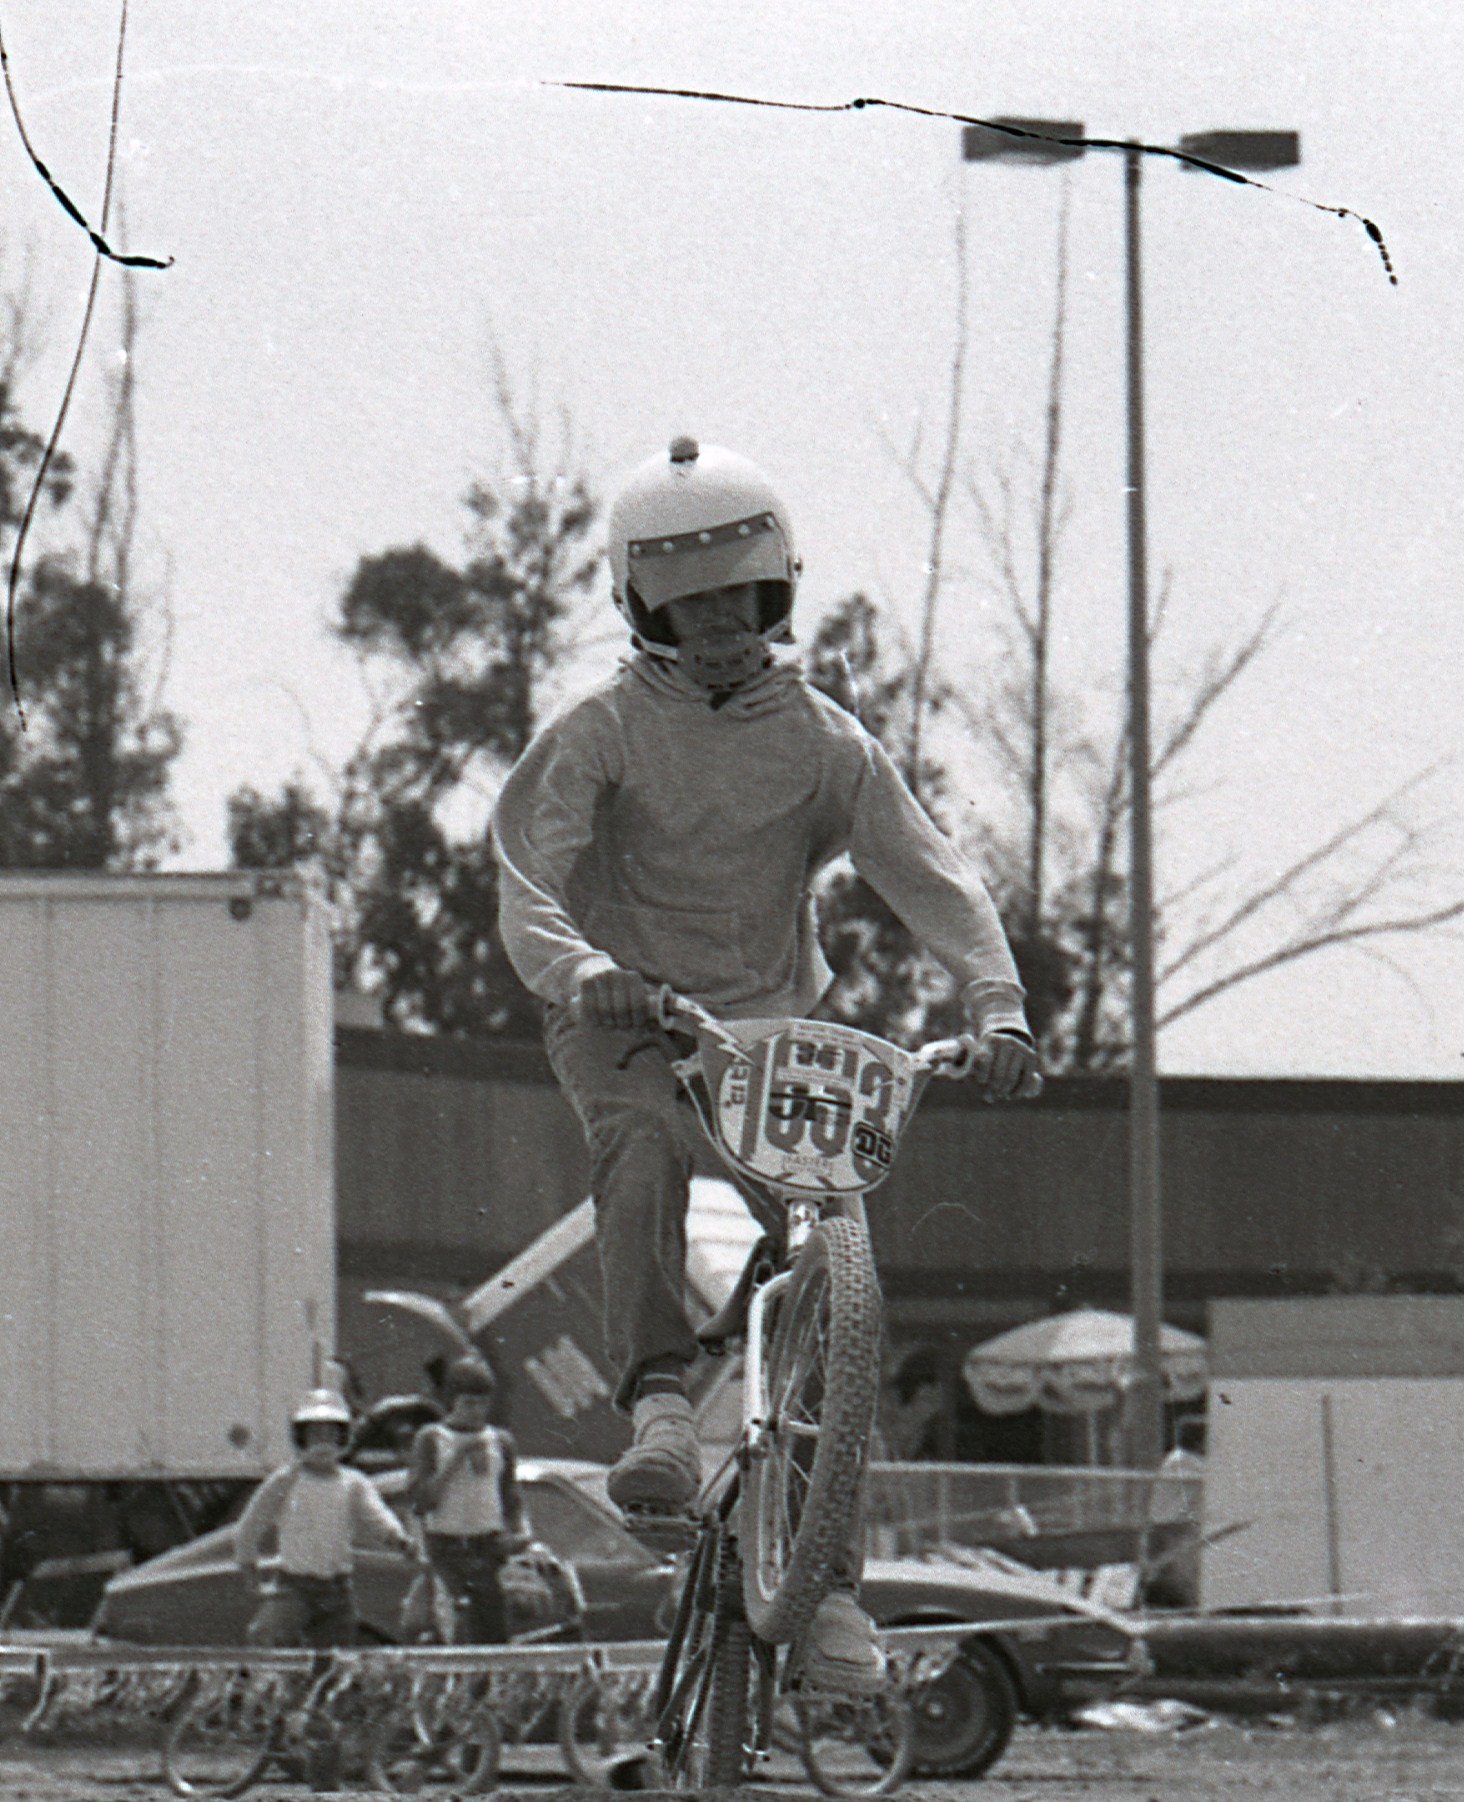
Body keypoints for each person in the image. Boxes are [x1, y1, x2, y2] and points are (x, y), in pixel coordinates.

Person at [493, 436, 1043, 1691]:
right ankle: (660, 1405)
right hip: (626, 1013)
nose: (724, 624)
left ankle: (828, 1582)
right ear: (643, 606)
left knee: (836, 1265)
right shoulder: (600, 731)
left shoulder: (824, 743)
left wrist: (997, 1007)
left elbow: (932, 873)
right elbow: (527, 880)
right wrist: (584, 971)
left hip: (769, 1026)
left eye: (743, 596)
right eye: (692, 604)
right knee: (635, 1150)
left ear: (778, 592)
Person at [236, 1389, 417, 1649]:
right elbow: (250, 1527)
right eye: (315, 1435)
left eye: (331, 1434)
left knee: (334, 1662)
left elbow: (377, 1517)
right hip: (294, 1587)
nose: (323, 1443)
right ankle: (268, 1688)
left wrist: (399, 1540)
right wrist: (250, 1573)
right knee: (266, 1635)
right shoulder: (285, 1480)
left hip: (337, 1590)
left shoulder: (353, 1483)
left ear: (343, 1437)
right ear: (301, 1438)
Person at [396, 1356, 529, 1645]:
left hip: (489, 1546)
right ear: (452, 1401)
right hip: (448, 1547)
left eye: (482, 1403)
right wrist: (455, 1460)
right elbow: (420, 1500)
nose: (476, 1412)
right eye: (468, 1403)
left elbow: (510, 1496)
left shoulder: (500, 1441)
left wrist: (520, 1532)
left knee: (495, 1630)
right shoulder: (432, 1438)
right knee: (459, 1629)